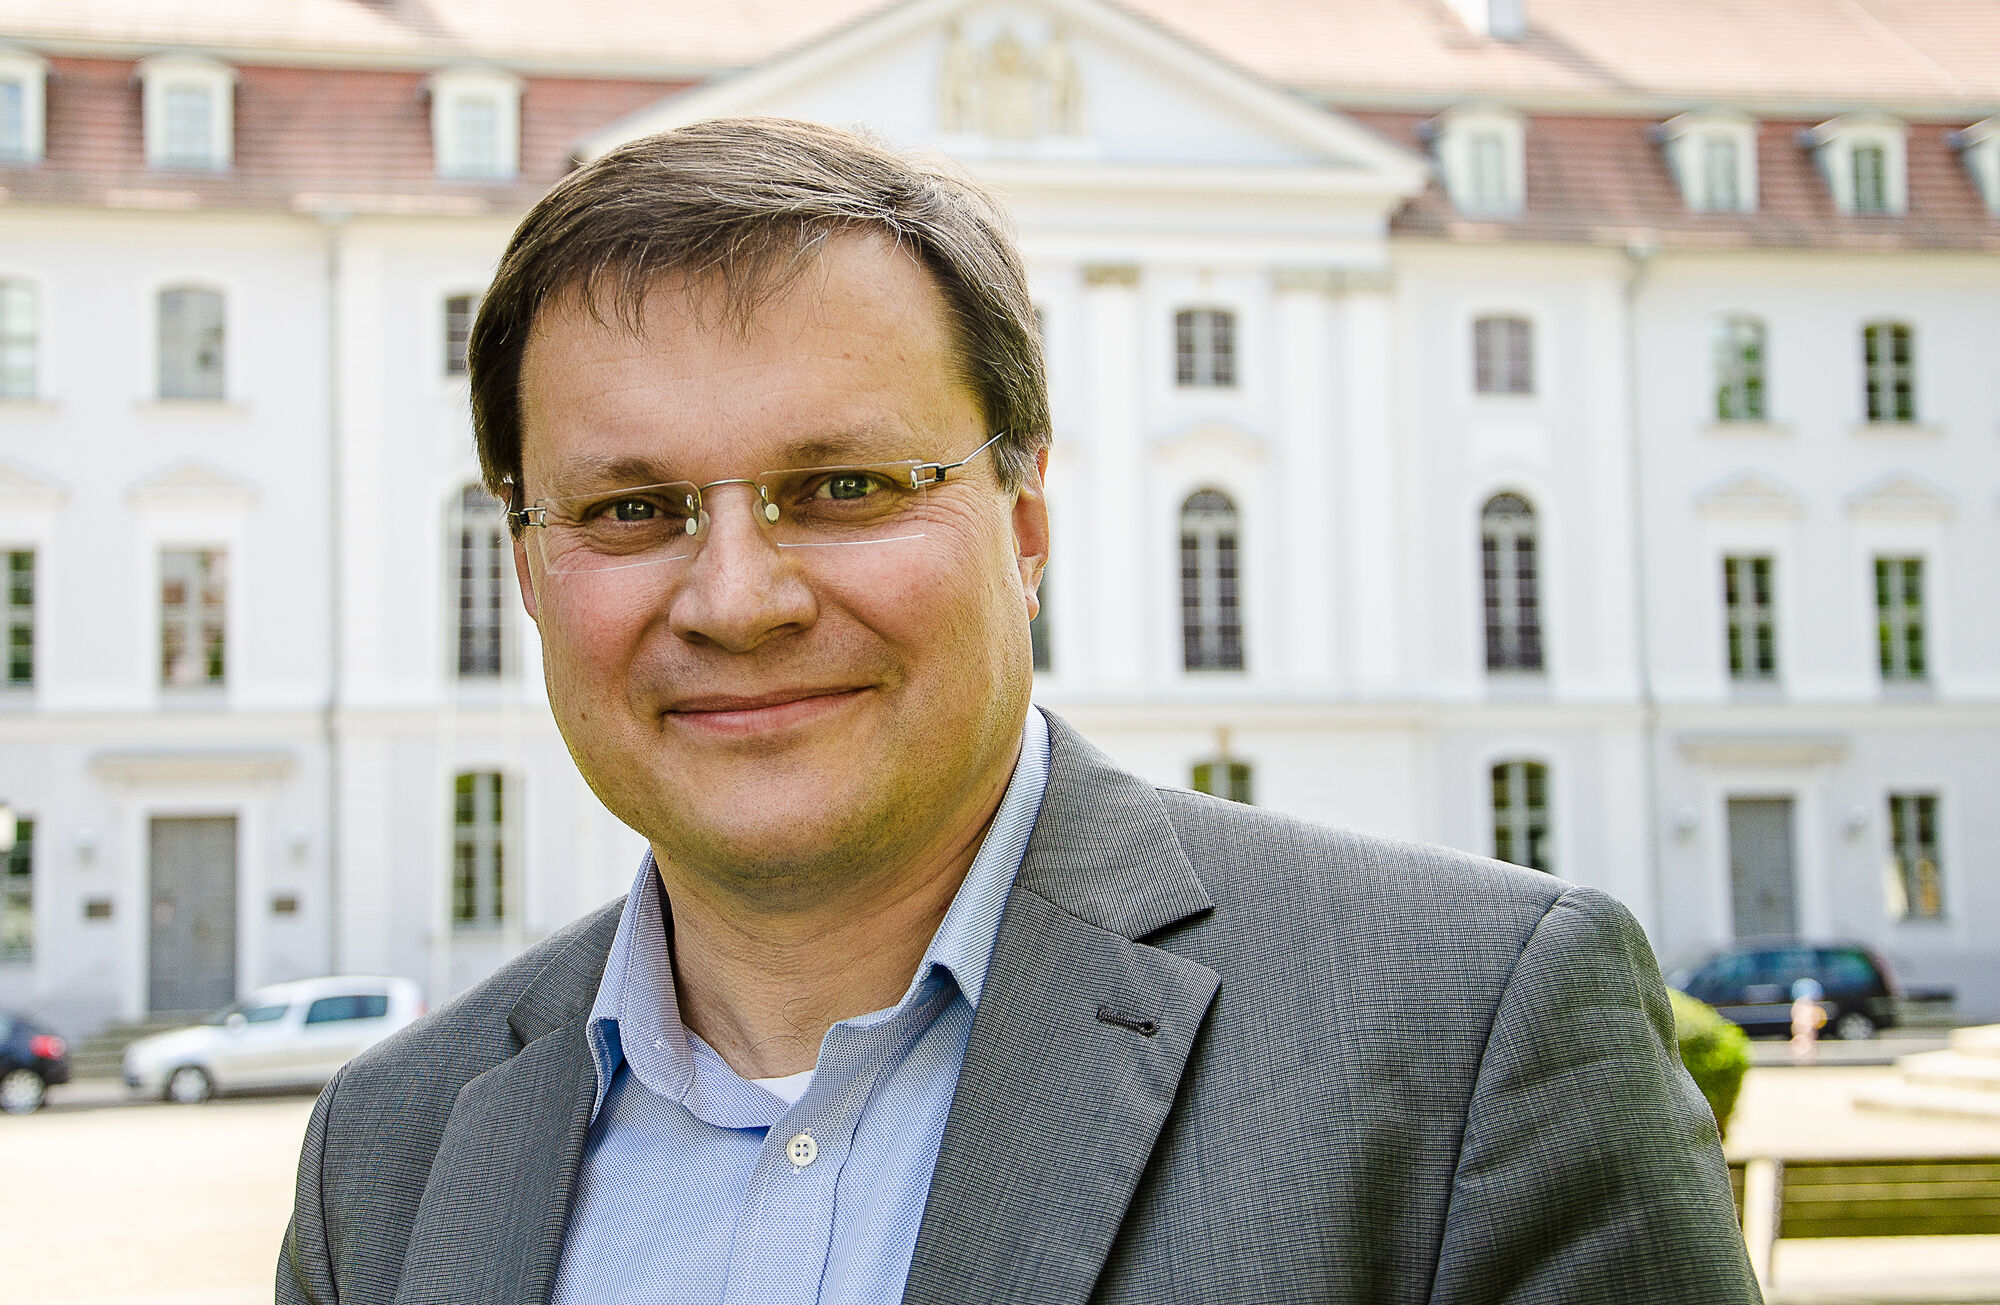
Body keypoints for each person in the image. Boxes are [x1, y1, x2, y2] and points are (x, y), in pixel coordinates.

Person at [278, 117, 1758, 1304]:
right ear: (530, 566)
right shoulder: (390, 1149)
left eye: (842, 486)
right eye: (632, 506)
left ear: (1026, 525)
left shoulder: (1461, 1043)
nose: (738, 596)